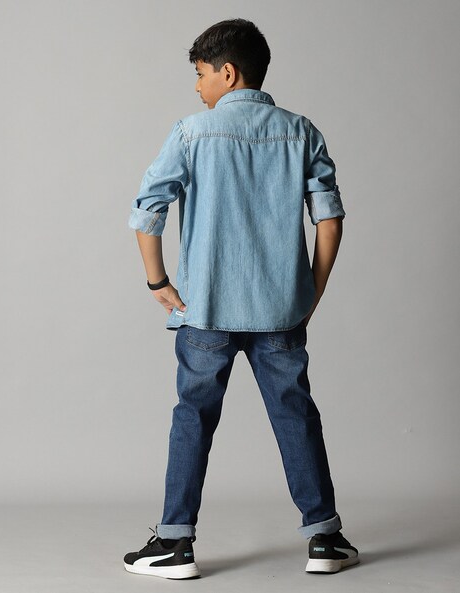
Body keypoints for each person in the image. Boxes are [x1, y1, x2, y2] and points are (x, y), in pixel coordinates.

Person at [123, 18, 359, 579]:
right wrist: (311, 291)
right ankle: (324, 539)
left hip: (205, 309)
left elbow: (147, 210)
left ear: (228, 73)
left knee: (193, 417)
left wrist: (159, 283)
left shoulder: (191, 132)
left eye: (202, 75)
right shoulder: (301, 131)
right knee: (296, 415)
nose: (199, 87)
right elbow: (330, 220)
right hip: (281, 310)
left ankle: (175, 544)